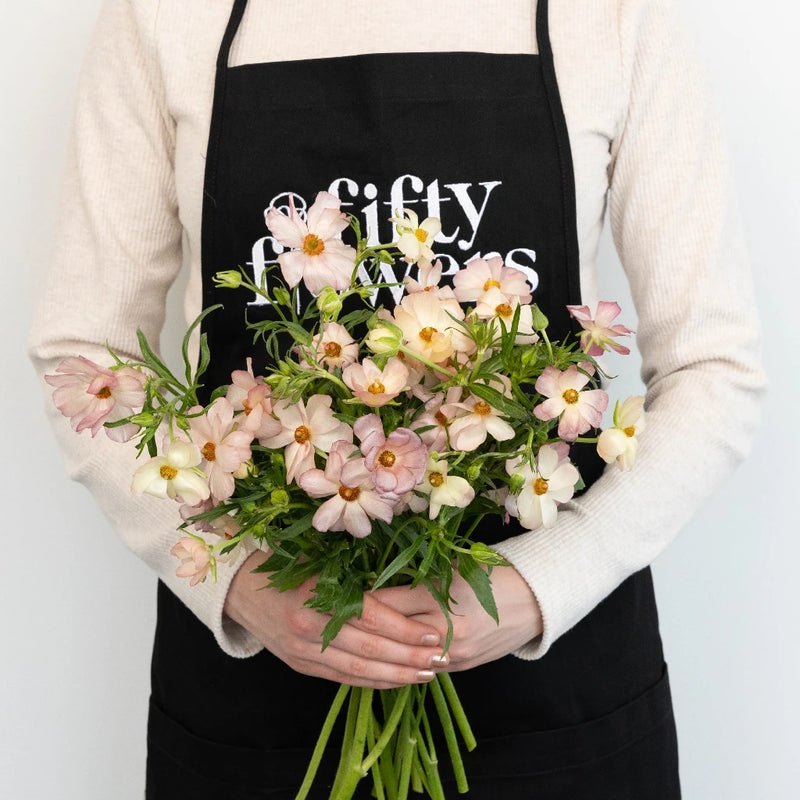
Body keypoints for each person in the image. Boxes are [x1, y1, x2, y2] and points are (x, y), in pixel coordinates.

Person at [29, 0, 764, 798]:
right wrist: (237, 582)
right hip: (263, 683)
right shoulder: (165, 16)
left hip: (556, 681)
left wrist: (540, 583)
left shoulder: (614, 14)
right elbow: (84, 357)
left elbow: (713, 366)